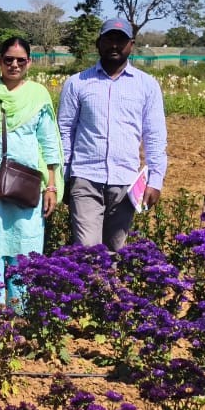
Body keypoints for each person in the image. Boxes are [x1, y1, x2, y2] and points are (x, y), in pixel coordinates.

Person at [0, 37, 62, 302]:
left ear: (29, 62)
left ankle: (20, 306)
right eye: (9, 59)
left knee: (25, 239)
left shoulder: (38, 95)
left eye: (21, 60)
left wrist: (51, 185)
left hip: (27, 179)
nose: (14, 65)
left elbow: (49, 142)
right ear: (0, 61)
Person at [58, 18, 168, 252]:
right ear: (98, 43)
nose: (114, 46)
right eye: (109, 39)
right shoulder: (77, 83)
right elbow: (65, 131)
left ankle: (110, 289)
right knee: (88, 250)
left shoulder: (147, 85)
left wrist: (156, 180)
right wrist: (64, 176)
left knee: (116, 250)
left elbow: (155, 136)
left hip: (125, 182)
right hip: (86, 177)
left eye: (121, 41)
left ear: (132, 45)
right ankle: (88, 287)